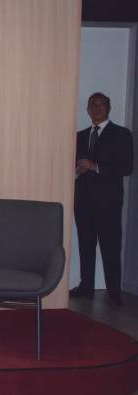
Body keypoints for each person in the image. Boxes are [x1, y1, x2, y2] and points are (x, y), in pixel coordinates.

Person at [70, 92, 134, 307]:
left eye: (101, 105)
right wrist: (78, 170)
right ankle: (86, 286)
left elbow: (126, 167)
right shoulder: (79, 136)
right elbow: (73, 166)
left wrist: (95, 166)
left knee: (110, 246)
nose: (97, 108)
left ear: (109, 108)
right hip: (83, 201)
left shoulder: (122, 134)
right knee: (85, 245)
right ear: (87, 110)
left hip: (108, 202)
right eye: (93, 105)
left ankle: (114, 292)